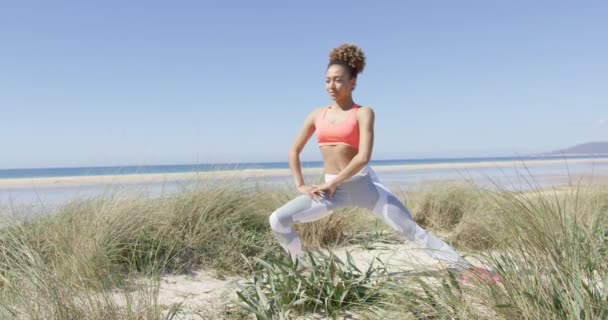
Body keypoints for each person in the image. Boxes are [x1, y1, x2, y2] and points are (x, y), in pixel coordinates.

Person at [268, 43, 500, 283]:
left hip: (364, 187)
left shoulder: (363, 112)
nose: (331, 86)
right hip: (329, 191)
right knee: (278, 219)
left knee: (411, 230)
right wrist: (300, 185)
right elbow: (294, 150)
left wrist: (335, 182)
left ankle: (467, 270)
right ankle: (302, 271)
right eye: (327, 80)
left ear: (353, 82)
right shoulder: (318, 114)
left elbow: (363, 157)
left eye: (338, 80)